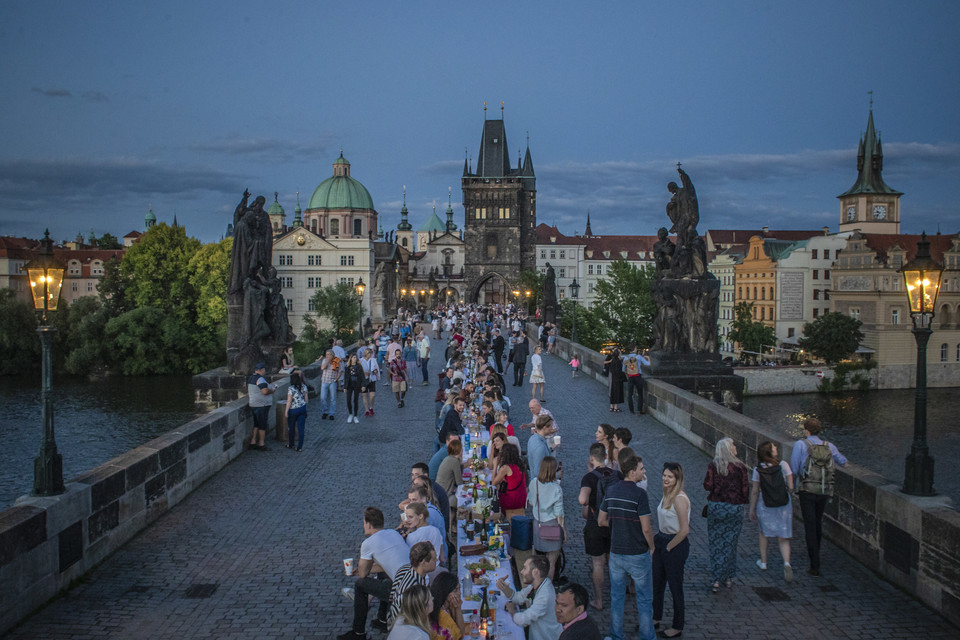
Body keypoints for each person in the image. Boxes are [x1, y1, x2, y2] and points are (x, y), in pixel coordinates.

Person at [598, 454, 656, 640]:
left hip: (616, 552)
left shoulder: (612, 490)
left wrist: (617, 525)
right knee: (644, 598)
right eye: (641, 469)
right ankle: (647, 636)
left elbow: (601, 520)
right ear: (632, 472)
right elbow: (646, 528)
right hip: (637, 552)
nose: (644, 471)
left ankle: (616, 634)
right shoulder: (640, 494)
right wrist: (652, 546)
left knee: (617, 597)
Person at [338, 507, 410, 639]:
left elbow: (363, 574)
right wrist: (362, 570)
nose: (364, 525)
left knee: (360, 585)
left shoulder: (368, 543)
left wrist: (359, 571)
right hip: (412, 581)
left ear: (369, 524)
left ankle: (358, 633)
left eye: (364, 523)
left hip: (402, 590)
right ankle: (382, 620)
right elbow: (386, 564)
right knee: (384, 577)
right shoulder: (393, 533)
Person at [790, 417, 847, 577]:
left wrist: (793, 484)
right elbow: (842, 461)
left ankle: (814, 564)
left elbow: (794, 468)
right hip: (823, 490)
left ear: (806, 430)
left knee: (809, 525)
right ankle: (817, 553)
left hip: (807, 490)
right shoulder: (829, 446)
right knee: (817, 522)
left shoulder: (801, 445)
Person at [702, 437, 750, 592]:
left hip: (717, 507)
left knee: (716, 542)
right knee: (731, 543)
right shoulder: (740, 467)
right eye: (734, 445)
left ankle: (716, 578)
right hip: (734, 508)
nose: (736, 447)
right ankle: (728, 577)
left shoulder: (713, 466)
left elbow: (707, 485)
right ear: (729, 449)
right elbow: (745, 490)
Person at [579, 443, 620, 611]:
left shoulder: (589, 478)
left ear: (591, 458)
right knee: (613, 561)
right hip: (613, 523)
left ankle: (598, 600)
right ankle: (617, 595)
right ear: (605, 456)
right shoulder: (617, 475)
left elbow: (582, 500)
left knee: (597, 562)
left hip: (595, 523)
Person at [653, 463, 690, 639]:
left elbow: (684, 530)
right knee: (657, 583)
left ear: (677, 479)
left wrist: (668, 547)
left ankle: (677, 625)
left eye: (670, 477)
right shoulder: (666, 494)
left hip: (674, 543)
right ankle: (655, 617)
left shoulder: (679, 499)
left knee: (675, 587)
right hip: (661, 539)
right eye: (664, 475)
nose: (666, 479)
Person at [750, 440, 794, 582]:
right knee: (783, 537)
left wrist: (751, 509)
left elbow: (755, 491)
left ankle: (763, 562)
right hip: (783, 505)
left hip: (765, 504)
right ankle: (786, 563)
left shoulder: (758, 470)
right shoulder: (783, 465)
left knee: (764, 533)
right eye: (774, 446)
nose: (776, 447)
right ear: (770, 452)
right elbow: (791, 486)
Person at [496, 555, 563, 640]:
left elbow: (524, 620)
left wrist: (513, 611)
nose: (521, 572)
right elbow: (519, 597)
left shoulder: (545, 595)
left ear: (535, 572)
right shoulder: (537, 583)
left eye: (525, 568)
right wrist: (504, 588)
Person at [529, 456, 565, 580]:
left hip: (538, 524)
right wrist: (564, 532)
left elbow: (531, 502)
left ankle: (536, 583)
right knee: (551, 562)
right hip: (552, 526)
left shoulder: (534, 483)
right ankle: (548, 587)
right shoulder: (557, 489)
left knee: (537, 560)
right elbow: (559, 514)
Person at [402, 503, 446, 572]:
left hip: (422, 572)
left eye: (410, 517)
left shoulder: (412, 536)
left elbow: (410, 560)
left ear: (420, 516)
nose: (407, 520)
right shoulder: (436, 530)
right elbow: (442, 558)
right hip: (437, 569)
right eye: (406, 517)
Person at [411, 462, 450, 539]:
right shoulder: (423, 486)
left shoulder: (433, 491)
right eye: (412, 475)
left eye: (416, 475)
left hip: (440, 531)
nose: (413, 478)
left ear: (425, 476)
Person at [492, 443, 527, 520]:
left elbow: (493, 483)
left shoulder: (505, 468)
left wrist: (495, 466)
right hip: (521, 498)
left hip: (511, 500)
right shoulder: (519, 465)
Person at [428, 571, 465, 640]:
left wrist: (457, 608)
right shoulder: (441, 614)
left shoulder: (446, 607)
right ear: (445, 591)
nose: (459, 593)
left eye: (459, 589)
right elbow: (460, 636)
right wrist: (458, 609)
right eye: (455, 590)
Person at [247, 362, 275, 451]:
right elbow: (264, 391)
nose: (265, 371)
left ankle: (253, 441)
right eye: (264, 370)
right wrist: (272, 390)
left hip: (254, 404)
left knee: (256, 424)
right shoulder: (260, 379)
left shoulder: (251, 378)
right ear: (262, 370)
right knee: (262, 424)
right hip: (261, 405)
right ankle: (261, 443)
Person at [284, 371, 308, 451]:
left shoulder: (291, 388)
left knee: (291, 427)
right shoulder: (304, 386)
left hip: (293, 410)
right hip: (302, 409)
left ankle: (291, 444)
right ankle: (300, 447)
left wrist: (286, 411)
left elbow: (289, 401)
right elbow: (306, 400)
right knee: (301, 428)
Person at [623, 345, 650, 414]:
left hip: (630, 377)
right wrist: (648, 358)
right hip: (638, 377)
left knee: (630, 394)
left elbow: (623, 369)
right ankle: (639, 410)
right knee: (640, 394)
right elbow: (648, 364)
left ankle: (631, 410)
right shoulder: (638, 357)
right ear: (635, 349)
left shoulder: (626, 357)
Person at [526, 415, 555, 481]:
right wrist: (557, 475)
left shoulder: (532, 438)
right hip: (541, 485)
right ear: (545, 427)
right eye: (550, 426)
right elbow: (538, 472)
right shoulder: (540, 446)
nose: (552, 428)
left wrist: (551, 448)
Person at [343, 353, 367, 424]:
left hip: (357, 384)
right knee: (348, 400)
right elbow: (345, 377)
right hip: (349, 384)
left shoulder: (359, 366)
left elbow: (362, 376)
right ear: (351, 358)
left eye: (355, 357)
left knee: (355, 400)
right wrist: (345, 387)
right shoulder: (347, 366)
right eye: (353, 357)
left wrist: (363, 385)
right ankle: (350, 414)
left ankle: (355, 415)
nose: (354, 359)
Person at [319, 349, 340, 420]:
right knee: (323, 398)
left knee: (333, 398)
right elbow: (322, 368)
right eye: (326, 354)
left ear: (332, 355)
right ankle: (325, 411)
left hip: (332, 381)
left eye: (329, 354)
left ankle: (332, 413)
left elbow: (340, 371)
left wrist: (336, 379)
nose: (327, 356)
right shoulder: (325, 360)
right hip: (324, 381)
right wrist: (327, 361)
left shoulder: (337, 361)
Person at [360, 347, 380, 417]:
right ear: (366, 353)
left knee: (372, 395)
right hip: (364, 380)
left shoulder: (373, 360)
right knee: (364, 395)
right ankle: (366, 410)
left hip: (372, 379)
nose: (371, 355)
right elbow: (359, 370)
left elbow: (377, 369)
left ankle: (371, 407)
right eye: (370, 353)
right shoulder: (361, 361)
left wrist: (374, 372)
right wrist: (363, 373)